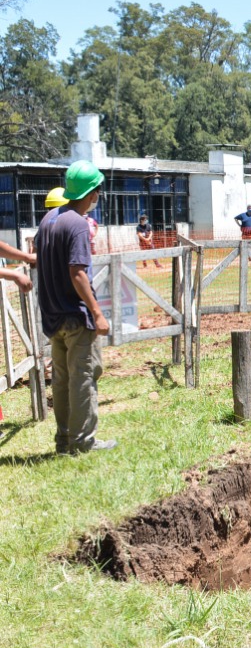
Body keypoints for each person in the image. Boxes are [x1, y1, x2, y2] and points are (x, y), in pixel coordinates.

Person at [35, 160, 115, 454]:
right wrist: (97, 312)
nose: (98, 196)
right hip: (74, 316)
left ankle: (64, 440)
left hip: (52, 316)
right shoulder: (79, 224)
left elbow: (40, 261)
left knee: (62, 380)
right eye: (98, 190)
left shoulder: (49, 219)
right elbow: (78, 272)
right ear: (91, 192)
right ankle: (82, 443)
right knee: (83, 377)